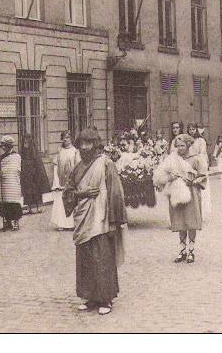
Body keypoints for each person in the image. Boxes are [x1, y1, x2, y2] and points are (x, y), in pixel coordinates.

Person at [62, 129, 128, 315]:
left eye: (88, 143)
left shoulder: (106, 164)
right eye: (81, 143)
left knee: (102, 258)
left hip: (103, 219)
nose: (84, 147)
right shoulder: (77, 167)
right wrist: (81, 194)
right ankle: (89, 296)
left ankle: (106, 299)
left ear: (96, 144)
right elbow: (68, 192)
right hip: (83, 220)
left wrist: (115, 221)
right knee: (86, 258)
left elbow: (116, 194)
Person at [153, 134, 207, 264]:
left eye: (182, 145)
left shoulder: (196, 159)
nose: (180, 148)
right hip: (176, 192)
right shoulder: (172, 159)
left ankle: (191, 250)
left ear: (188, 145)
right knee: (181, 221)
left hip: (192, 193)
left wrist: (194, 181)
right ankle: (182, 250)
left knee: (191, 221)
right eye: (177, 146)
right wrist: (169, 178)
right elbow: (163, 175)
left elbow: (203, 176)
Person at [51, 131, 80, 231]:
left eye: (67, 137)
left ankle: (71, 224)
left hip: (71, 180)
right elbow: (56, 165)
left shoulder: (75, 151)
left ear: (71, 139)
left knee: (71, 201)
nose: (65, 140)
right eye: (63, 138)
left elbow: (78, 166)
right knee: (60, 201)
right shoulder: (60, 151)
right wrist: (56, 181)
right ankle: (61, 223)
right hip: (61, 180)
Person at [0, 136, 23, 232]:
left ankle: (16, 223)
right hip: (4, 184)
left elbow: (19, 169)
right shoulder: (1, 158)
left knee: (14, 203)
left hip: (13, 183)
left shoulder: (17, 157)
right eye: (2, 146)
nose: (3, 148)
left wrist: (8, 171)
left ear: (10, 146)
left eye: (5, 146)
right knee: (4, 204)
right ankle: (8, 223)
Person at [21, 135, 51, 214]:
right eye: (24, 142)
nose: (25, 144)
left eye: (27, 142)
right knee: (27, 192)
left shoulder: (34, 151)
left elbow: (38, 165)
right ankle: (29, 208)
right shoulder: (23, 152)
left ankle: (38, 207)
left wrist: (35, 174)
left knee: (36, 191)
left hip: (34, 176)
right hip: (26, 176)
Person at [187, 122, 211, 221]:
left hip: (198, 165)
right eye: (190, 129)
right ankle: (191, 214)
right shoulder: (187, 140)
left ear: (196, 129)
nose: (191, 131)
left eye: (193, 129)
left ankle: (200, 214)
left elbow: (202, 153)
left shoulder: (201, 140)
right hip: (188, 165)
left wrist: (199, 165)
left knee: (199, 191)